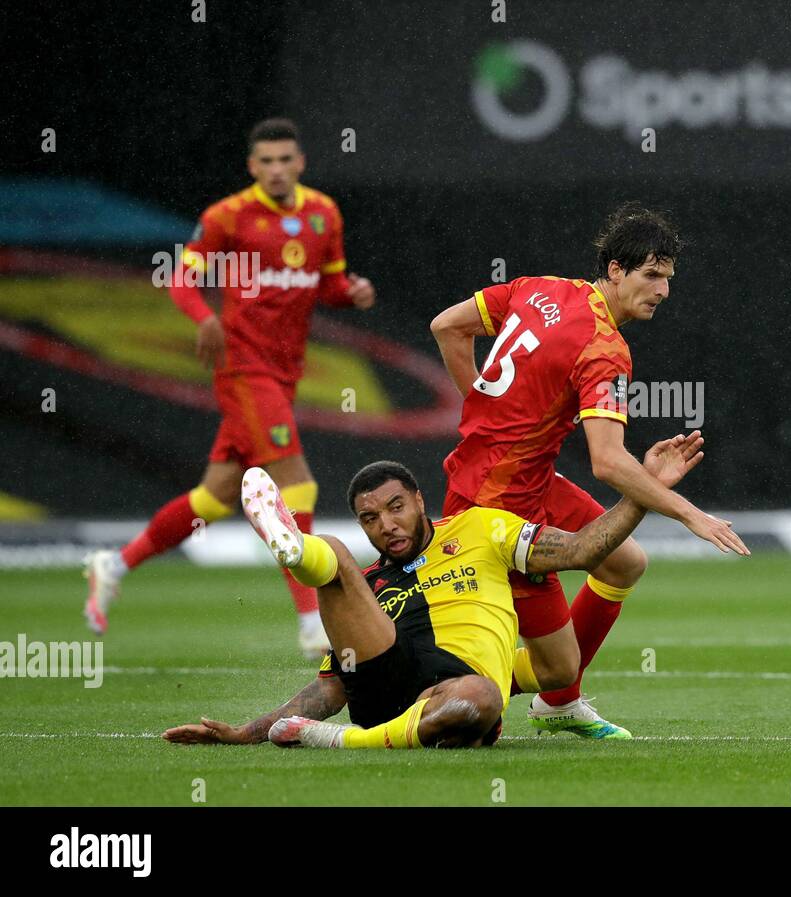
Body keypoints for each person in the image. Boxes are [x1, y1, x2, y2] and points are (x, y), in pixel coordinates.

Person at [162, 432, 703, 750]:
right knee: (339, 561)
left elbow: (585, 552)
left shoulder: (483, 528)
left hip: (454, 698)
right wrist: (246, 733)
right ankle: (298, 549)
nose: (386, 525)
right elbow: (330, 690)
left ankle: (341, 744)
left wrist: (646, 492)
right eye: (370, 518)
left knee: (484, 696)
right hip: (384, 676)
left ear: (420, 500)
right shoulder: (373, 580)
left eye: (396, 507)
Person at [429, 202, 748, 737]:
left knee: (623, 562)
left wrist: (483, 409)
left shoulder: (540, 288)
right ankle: (449, 687)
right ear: (616, 271)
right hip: (499, 508)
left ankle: (555, 704)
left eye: (668, 278)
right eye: (651, 275)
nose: (663, 290)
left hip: (517, 474)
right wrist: (692, 515)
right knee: (557, 666)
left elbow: (446, 327)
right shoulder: (605, 349)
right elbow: (608, 461)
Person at [84, 118, 376, 657]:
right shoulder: (227, 217)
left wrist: (351, 291)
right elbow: (182, 280)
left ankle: (113, 563)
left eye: (285, 159)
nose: (276, 169)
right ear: (252, 167)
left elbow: (328, 284)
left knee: (212, 499)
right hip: (242, 368)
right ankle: (313, 622)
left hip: (286, 373)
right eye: (265, 161)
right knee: (298, 482)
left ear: (300, 162)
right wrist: (203, 318)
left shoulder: (323, 213)